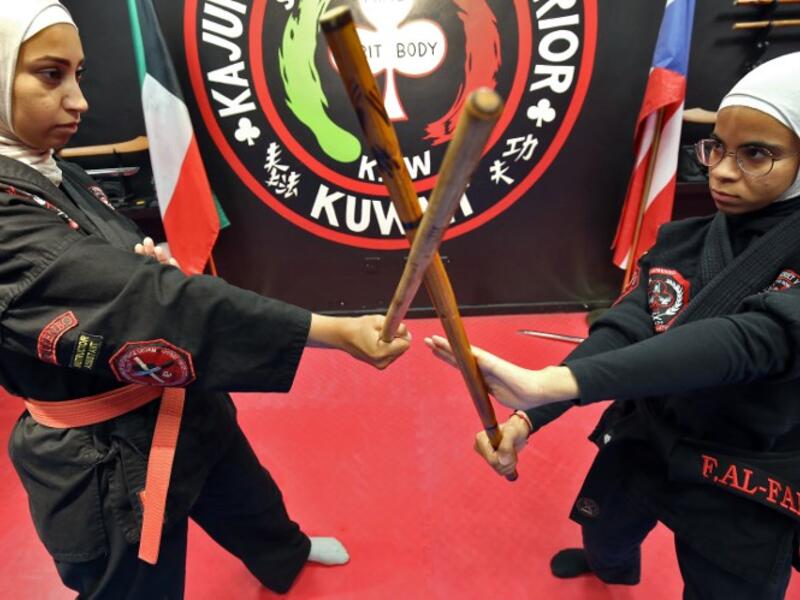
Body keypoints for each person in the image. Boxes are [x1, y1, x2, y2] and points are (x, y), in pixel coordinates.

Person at [0, 2, 411, 598]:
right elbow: (149, 302)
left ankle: (283, 553)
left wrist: (138, 259)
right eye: (49, 74)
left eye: (79, 75)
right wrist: (332, 332)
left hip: (173, 397)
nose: (79, 101)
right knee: (136, 582)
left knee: (245, 492)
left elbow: (106, 273)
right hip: (104, 456)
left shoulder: (46, 170)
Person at [427, 52, 800, 600]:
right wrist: (532, 414)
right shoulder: (685, 241)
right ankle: (614, 570)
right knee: (604, 533)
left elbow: (749, 341)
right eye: (717, 146)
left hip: (739, 470)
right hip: (647, 438)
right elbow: (625, 326)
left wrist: (555, 387)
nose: (719, 170)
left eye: (757, 155)